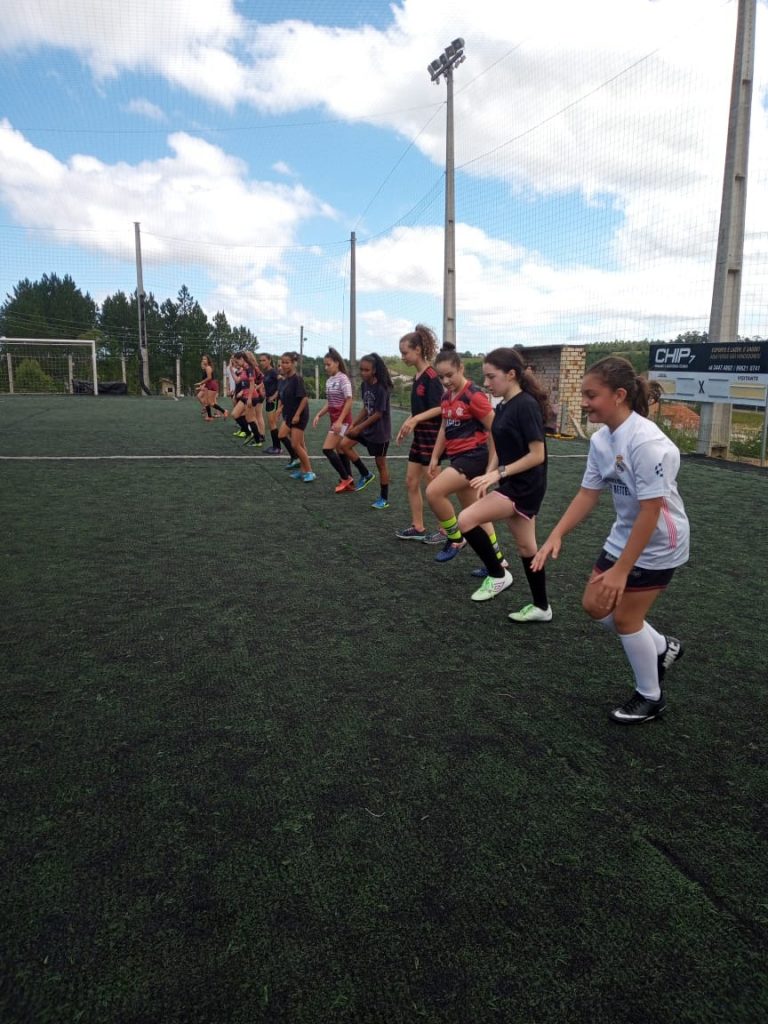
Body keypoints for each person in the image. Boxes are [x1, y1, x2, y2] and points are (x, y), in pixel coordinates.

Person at [532, 356, 688, 724]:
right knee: (595, 606)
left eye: (591, 395)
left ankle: (650, 696)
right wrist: (556, 533)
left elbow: (651, 511)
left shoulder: (648, 442)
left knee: (626, 620)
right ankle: (663, 647)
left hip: (660, 542)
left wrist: (622, 569)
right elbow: (589, 493)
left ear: (619, 395)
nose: (584, 402)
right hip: (625, 535)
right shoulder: (602, 439)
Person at [457, 347, 551, 613]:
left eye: (491, 377)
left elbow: (537, 455)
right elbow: (499, 444)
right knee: (526, 546)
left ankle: (498, 575)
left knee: (465, 519)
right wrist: (489, 473)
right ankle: (542, 607)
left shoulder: (526, 406)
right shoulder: (505, 405)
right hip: (510, 482)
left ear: (511, 374)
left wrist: (498, 474)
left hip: (525, 486)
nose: (486, 383)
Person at [425, 344, 502, 565]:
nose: (446, 381)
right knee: (476, 513)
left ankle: (455, 538)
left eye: (449, 375)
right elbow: (443, 428)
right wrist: (434, 457)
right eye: (441, 377)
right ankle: (497, 561)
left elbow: (495, 430)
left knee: (434, 492)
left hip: (474, 458)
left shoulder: (474, 396)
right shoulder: (446, 396)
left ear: (461, 368)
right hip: (458, 458)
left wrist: (490, 469)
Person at [394, 325, 444, 542]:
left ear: (418, 350)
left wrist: (414, 420)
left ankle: (447, 531)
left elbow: (440, 408)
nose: (402, 357)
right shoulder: (417, 376)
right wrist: (407, 423)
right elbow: (418, 410)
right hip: (419, 438)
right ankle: (418, 527)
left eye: (405, 352)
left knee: (434, 487)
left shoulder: (432, 376)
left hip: (432, 438)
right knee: (411, 481)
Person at [338, 353, 392, 509]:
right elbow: (365, 407)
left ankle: (384, 498)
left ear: (374, 370)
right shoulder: (364, 385)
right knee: (344, 445)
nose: (363, 373)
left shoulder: (382, 388)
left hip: (379, 433)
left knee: (381, 464)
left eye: (366, 370)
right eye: (361, 369)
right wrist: (353, 424)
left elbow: (378, 414)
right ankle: (365, 474)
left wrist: (359, 428)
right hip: (366, 428)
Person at [312, 348, 354, 493]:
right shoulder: (330, 381)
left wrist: (340, 421)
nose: (326, 367)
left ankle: (345, 478)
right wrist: (319, 414)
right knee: (340, 449)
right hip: (335, 420)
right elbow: (330, 403)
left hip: (342, 421)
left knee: (327, 449)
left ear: (336, 363)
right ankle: (349, 479)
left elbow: (349, 401)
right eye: (325, 365)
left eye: (328, 364)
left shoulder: (343, 379)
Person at [278, 352, 315, 482]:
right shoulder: (286, 379)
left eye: (287, 362)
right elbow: (285, 397)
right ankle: (302, 470)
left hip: (299, 415)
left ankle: (309, 471)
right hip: (289, 415)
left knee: (295, 444)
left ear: (293, 363)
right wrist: (279, 410)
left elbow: (304, 398)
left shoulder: (297, 379)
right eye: (282, 362)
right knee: (283, 435)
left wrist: (298, 415)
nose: (284, 365)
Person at [240, 351, 266, 447]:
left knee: (257, 416)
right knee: (257, 415)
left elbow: (263, 380)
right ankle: (261, 435)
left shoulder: (253, 368)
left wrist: (257, 387)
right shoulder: (252, 367)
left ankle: (260, 435)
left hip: (258, 394)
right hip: (258, 393)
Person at [259, 353, 282, 454]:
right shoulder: (267, 372)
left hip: (273, 400)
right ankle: (275, 446)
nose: (262, 362)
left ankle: (277, 447)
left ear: (269, 360)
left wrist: (274, 396)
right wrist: (264, 392)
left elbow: (281, 383)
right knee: (271, 423)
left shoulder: (273, 372)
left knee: (272, 423)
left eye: (264, 360)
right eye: (260, 360)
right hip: (268, 399)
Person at [195, 354, 227, 420]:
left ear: (208, 360)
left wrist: (201, 383)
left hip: (212, 385)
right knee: (207, 402)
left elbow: (209, 378)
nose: (203, 360)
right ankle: (209, 417)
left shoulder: (208, 367)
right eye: (202, 359)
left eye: (205, 359)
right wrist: (201, 386)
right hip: (208, 385)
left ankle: (224, 411)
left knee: (211, 403)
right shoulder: (206, 368)